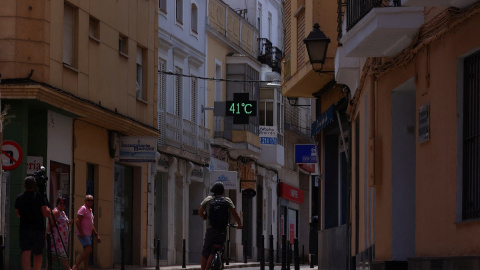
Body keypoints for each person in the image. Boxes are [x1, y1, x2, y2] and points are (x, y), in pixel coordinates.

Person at [198, 182, 242, 270]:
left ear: (213, 191)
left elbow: (200, 212)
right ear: (222, 191)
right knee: (214, 249)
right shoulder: (227, 200)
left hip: (210, 229)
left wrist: (205, 218)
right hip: (222, 230)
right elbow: (235, 214)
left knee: (205, 252)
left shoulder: (208, 199)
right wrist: (239, 225)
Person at [15, 176, 51, 270]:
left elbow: (18, 214)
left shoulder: (19, 198)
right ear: (35, 186)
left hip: (24, 229)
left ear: (24, 186)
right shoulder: (39, 197)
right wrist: (48, 207)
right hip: (38, 229)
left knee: (26, 251)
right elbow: (46, 213)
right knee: (37, 253)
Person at [72, 195, 101, 270]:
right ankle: (76, 265)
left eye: (92, 200)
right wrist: (81, 232)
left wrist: (96, 235)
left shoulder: (90, 211)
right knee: (89, 249)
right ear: (85, 201)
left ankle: (86, 268)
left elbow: (91, 225)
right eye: (88, 200)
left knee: (87, 253)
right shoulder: (83, 208)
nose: (90, 202)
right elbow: (77, 221)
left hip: (88, 234)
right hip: (84, 234)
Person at [46, 197, 74, 270]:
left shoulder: (63, 212)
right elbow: (50, 223)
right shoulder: (56, 212)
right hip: (57, 239)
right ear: (57, 204)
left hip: (62, 239)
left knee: (52, 258)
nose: (62, 205)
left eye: (63, 203)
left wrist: (69, 222)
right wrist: (46, 234)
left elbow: (64, 223)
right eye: (60, 203)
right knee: (62, 256)